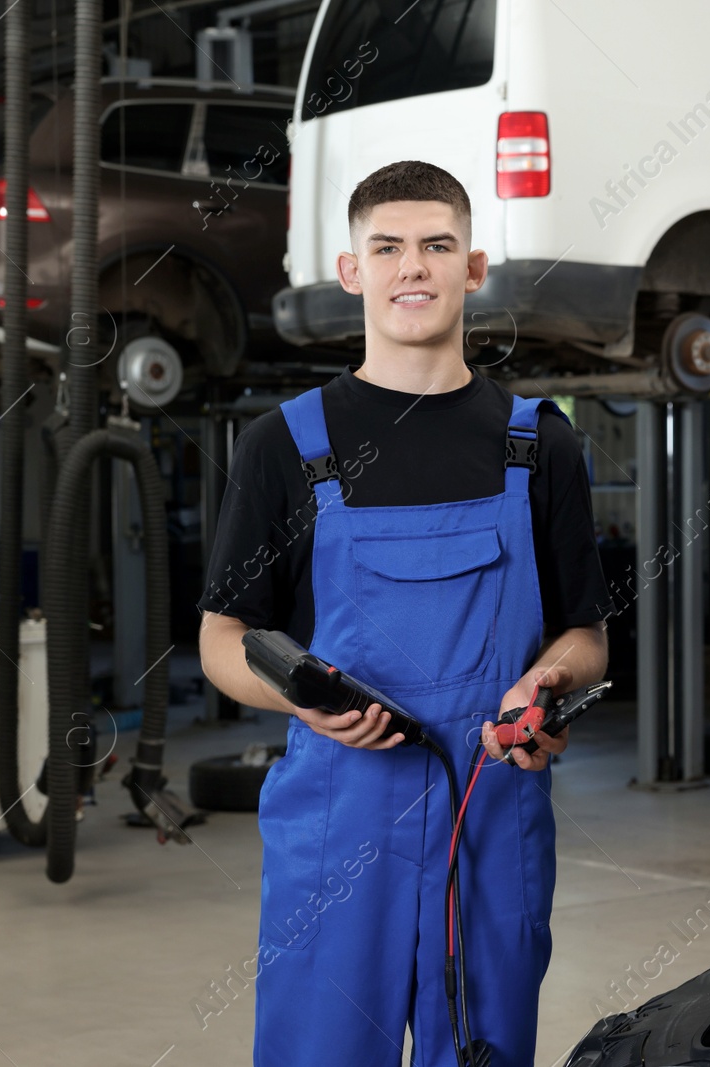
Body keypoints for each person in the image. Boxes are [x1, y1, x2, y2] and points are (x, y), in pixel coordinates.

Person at [197, 160, 612, 1067]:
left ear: (474, 268)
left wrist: (547, 681)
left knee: (486, 1052)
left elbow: (585, 631)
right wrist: (301, 701)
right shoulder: (285, 446)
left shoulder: (539, 443)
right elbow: (222, 640)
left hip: (494, 807)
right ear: (352, 271)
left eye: (437, 245)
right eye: (387, 247)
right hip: (339, 822)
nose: (411, 267)